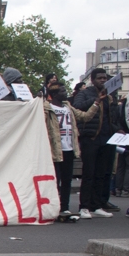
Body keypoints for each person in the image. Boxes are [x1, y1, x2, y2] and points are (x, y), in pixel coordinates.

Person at [72, 68, 122, 219]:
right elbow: (78, 107)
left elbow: (112, 115)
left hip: (106, 137)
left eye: (104, 78)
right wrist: (97, 100)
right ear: (92, 80)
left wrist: (117, 129)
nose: (102, 80)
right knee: (89, 173)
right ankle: (84, 206)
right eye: (99, 78)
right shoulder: (85, 93)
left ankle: (97, 205)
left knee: (101, 173)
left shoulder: (110, 95)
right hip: (91, 138)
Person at [44, 85, 98, 219]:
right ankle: (53, 206)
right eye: (62, 91)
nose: (66, 93)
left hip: (69, 148)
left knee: (67, 180)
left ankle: (65, 207)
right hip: (55, 149)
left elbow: (84, 117)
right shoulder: (46, 108)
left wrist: (96, 104)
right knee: (55, 180)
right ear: (55, 94)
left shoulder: (68, 107)